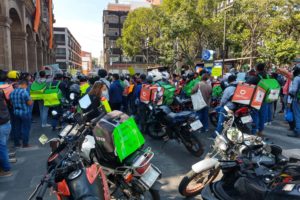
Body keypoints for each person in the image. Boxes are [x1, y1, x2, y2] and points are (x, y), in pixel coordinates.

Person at [246, 63, 269, 137]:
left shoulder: (256, 77)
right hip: (265, 98)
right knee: (262, 116)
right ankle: (261, 131)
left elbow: (247, 83)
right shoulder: (267, 76)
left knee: (255, 115)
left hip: (256, 99)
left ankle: (254, 131)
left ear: (257, 68)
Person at [10, 79, 33, 148]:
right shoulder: (24, 92)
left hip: (16, 112)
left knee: (16, 128)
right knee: (26, 128)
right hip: (25, 112)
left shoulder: (13, 92)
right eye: (26, 85)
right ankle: (25, 144)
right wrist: (31, 100)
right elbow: (29, 103)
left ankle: (17, 144)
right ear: (24, 84)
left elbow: (11, 103)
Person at [0, 87, 12, 177]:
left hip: (1, 125)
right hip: (6, 123)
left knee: (2, 148)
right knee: (3, 146)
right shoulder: (2, 96)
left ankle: (6, 169)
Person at [287, 66, 300, 138]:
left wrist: (290, 93)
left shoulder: (297, 78)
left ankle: (297, 132)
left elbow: (293, 90)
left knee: (297, 116)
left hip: (297, 100)